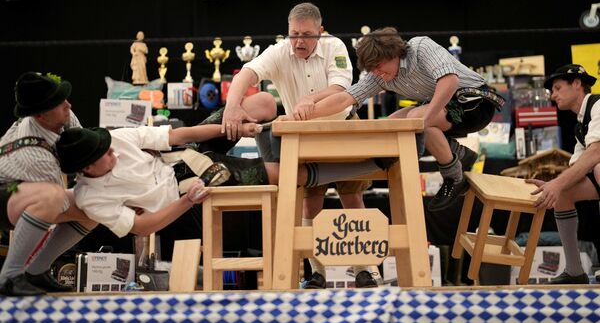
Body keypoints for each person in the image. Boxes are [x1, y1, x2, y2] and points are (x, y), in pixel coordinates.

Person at [221, 2, 378, 289]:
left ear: (321, 31)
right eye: (294, 34)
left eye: (306, 35)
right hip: (303, 138)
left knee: (352, 199)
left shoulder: (335, 47)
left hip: (342, 129)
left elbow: (341, 88)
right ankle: (316, 272)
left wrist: (311, 99)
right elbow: (247, 72)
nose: (299, 41)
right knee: (310, 204)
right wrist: (232, 106)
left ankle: (363, 269)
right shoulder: (280, 50)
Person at [287, 27, 504, 212]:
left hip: (477, 103)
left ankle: (454, 176)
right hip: (444, 109)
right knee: (390, 127)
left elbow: (449, 81)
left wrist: (422, 122)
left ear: (393, 54)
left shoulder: (421, 47)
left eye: (379, 67)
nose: (377, 73)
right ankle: (457, 153)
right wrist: (302, 114)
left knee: (414, 118)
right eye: (373, 70)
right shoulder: (379, 74)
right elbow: (345, 98)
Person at [55, 124, 388, 243]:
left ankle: (360, 158)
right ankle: (371, 165)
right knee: (288, 176)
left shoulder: (116, 137)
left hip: (183, 157)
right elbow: (143, 227)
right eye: (104, 153)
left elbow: (177, 135)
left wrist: (231, 128)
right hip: (187, 190)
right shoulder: (89, 198)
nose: (111, 149)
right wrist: (187, 202)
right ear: (86, 167)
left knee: (261, 106)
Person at [0, 72, 96, 296]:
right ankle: (10, 276)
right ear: (41, 115)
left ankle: (37, 271)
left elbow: (84, 151)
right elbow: (58, 205)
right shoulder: (33, 155)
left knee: (94, 204)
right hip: (5, 193)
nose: (68, 104)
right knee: (51, 196)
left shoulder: (63, 115)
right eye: (59, 102)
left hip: (22, 193)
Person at [526, 64, 599, 284]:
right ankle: (575, 271)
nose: (553, 95)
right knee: (564, 193)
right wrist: (555, 185)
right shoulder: (580, 124)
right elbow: (578, 168)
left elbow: (595, 153)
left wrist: (557, 184)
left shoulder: (598, 105)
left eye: (557, 88)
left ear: (577, 83)